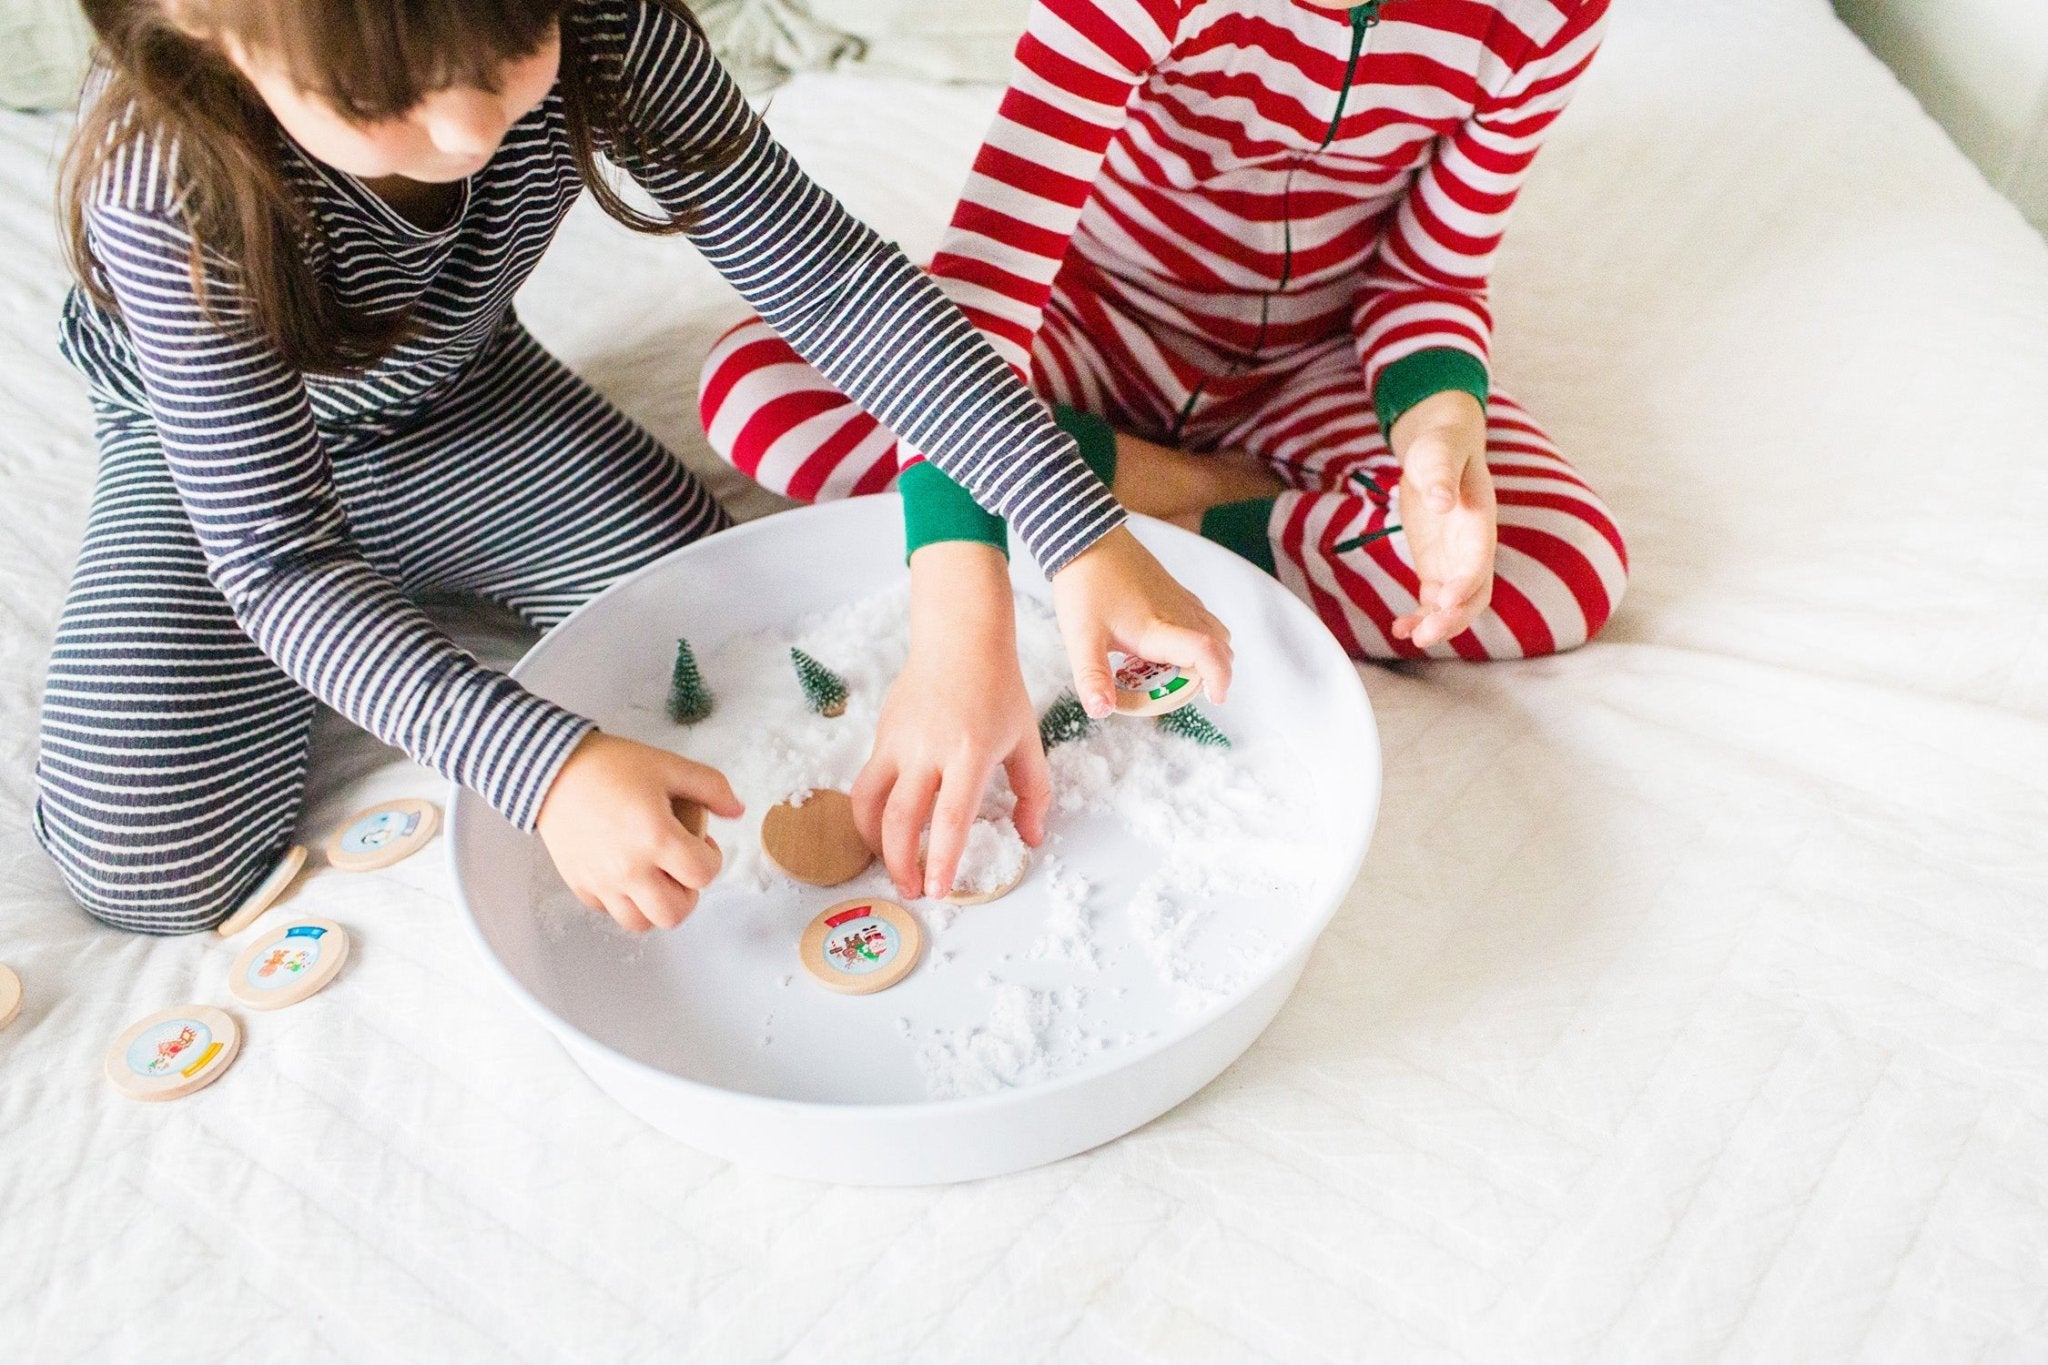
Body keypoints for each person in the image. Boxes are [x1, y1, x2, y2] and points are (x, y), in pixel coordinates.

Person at [41, 0, 1231, 935]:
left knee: (727, 652)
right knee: (148, 857)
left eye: (511, 45)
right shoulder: (164, 175)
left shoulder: (603, 20)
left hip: (467, 407)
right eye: (380, 101)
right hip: (210, 472)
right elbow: (278, 561)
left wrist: (1072, 527)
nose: (465, 135)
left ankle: (381, 622)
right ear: (197, 20)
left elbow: (830, 283)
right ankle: (356, 645)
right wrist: (543, 767)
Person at [700, 0, 1631, 894]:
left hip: (1315, 365)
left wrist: (1437, 429)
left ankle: (1122, 507)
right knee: (758, 387)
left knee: (1563, 566)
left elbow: (1431, 275)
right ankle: (1168, 492)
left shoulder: (1543, 13)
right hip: (1086, 325)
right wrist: (956, 634)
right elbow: (987, 282)